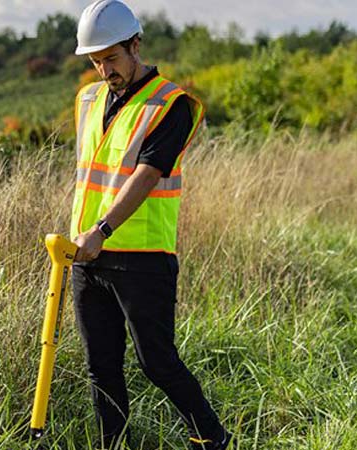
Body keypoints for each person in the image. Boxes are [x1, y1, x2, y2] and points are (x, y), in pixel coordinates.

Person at [67, 1, 231, 448]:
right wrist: (84, 238)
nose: (105, 70)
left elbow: (146, 174)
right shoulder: (88, 100)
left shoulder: (171, 105)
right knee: (99, 366)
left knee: (156, 361)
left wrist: (101, 230)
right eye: (96, 61)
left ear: (136, 44)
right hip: (86, 255)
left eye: (112, 59)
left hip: (142, 255)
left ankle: (212, 438)